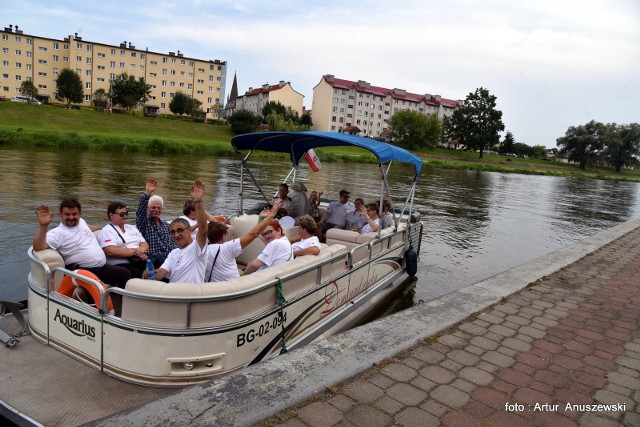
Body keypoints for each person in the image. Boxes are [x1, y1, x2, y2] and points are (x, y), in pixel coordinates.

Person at [33, 199, 131, 314]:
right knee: (90, 290)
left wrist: (105, 230)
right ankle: (99, 316)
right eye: (67, 214)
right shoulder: (56, 233)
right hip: (81, 271)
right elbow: (38, 247)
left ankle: (123, 312)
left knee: (125, 273)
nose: (71, 217)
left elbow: (91, 228)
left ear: (80, 214)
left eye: (74, 214)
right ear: (60, 215)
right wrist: (43, 226)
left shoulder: (82, 223)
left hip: (101, 268)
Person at [205, 199, 283, 282]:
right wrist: (272, 214)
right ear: (223, 236)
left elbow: (255, 233)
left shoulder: (202, 250)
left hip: (213, 285)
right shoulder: (228, 248)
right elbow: (254, 234)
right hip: (234, 287)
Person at [148, 179, 209, 283]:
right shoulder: (173, 253)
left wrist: (198, 202)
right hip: (172, 295)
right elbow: (161, 272)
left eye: (180, 230)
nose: (176, 235)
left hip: (189, 296)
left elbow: (203, 229)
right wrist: (149, 273)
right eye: (173, 232)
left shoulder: (197, 247)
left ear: (189, 230)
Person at [97, 202, 149, 279]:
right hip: (121, 264)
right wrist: (134, 253)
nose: (125, 216)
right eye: (121, 214)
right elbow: (110, 251)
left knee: (159, 265)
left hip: (139, 259)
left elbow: (144, 243)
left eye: (126, 213)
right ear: (111, 215)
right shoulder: (107, 231)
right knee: (137, 273)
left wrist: (142, 249)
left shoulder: (131, 228)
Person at [136, 177, 177, 268]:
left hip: (170, 256)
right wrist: (147, 193)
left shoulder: (167, 225)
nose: (156, 210)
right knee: (162, 258)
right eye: (153, 207)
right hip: (154, 258)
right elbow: (140, 212)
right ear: (148, 208)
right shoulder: (144, 223)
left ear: (162, 209)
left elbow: (173, 243)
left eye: (159, 208)